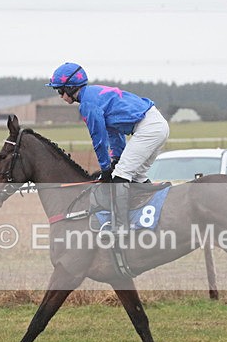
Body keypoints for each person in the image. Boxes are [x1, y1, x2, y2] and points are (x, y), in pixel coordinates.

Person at [46, 62, 169, 232]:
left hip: (149, 128)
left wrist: (105, 167)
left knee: (121, 175)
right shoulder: (93, 95)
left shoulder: (87, 104)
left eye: (60, 91)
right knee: (137, 176)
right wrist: (117, 157)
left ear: (71, 87)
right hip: (155, 124)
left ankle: (120, 226)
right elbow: (114, 132)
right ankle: (154, 213)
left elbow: (99, 138)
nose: (60, 96)